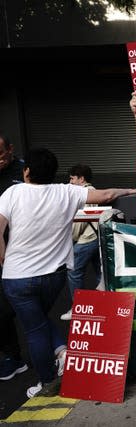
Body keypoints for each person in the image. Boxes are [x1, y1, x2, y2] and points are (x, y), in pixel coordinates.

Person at [0, 148, 136, 398]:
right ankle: (62, 352)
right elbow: (106, 195)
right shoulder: (67, 191)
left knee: (34, 329)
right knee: (40, 320)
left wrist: (2, 256)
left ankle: (46, 382)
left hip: (17, 277)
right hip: (54, 276)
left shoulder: (13, 192)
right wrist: (128, 191)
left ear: (27, 171)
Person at [0, 133, 28, 381]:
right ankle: (11, 356)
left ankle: (50, 352)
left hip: (23, 248)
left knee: (29, 303)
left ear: (10, 149)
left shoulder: (24, 172)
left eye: (0, 153)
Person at [59, 164, 101, 321]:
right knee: (100, 273)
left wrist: (71, 239)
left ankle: (79, 308)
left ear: (81, 179)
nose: (69, 182)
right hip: (97, 237)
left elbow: (80, 222)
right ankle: (105, 305)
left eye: (72, 178)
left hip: (86, 239)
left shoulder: (84, 193)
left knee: (73, 271)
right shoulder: (94, 191)